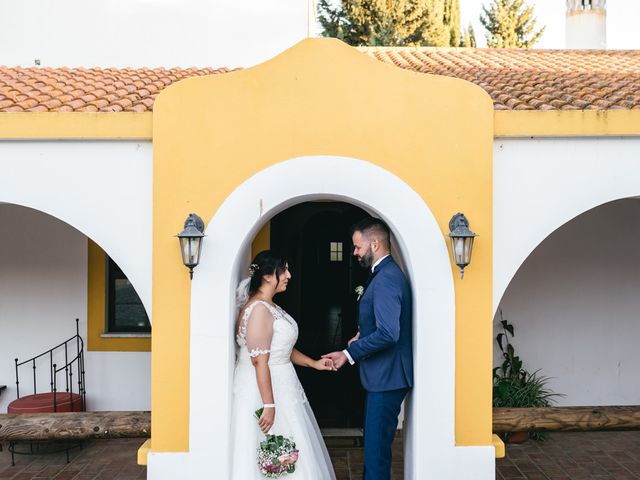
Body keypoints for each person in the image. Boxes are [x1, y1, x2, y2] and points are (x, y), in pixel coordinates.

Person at [230, 250, 337, 479]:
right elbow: (260, 361)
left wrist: (314, 363)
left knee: (290, 447)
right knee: (273, 449)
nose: (289, 275)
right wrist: (268, 405)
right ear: (268, 276)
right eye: (284, 270)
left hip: (283, 386)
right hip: (266, 390)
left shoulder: (270, 306)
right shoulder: (259, 309)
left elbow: (281, 349)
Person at [323, 218, 413, 480]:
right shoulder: (384, 274)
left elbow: (389, 333)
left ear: (375, 243)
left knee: (376, 454)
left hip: (387, 377)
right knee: (376, 448)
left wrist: (350, 352)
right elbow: (383, 325)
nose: (354, 253)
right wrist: (362, 335)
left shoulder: (386, 278)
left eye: (357, 247)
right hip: (385, 375)